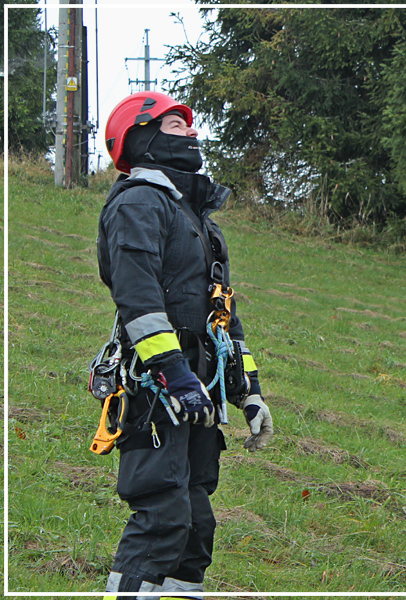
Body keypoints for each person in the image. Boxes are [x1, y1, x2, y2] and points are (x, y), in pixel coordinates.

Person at [96, 91, 274, 599]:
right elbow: (139, 299)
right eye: (175, 126)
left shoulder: (200, 222)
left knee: (196, 528)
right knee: (161, 517)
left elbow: (223, 315)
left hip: (199, 391)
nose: (191, 133)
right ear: (144, 139)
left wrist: (248, 391)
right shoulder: (136, 203)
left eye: (189, 126)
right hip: (158, 388)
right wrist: (174, 374)